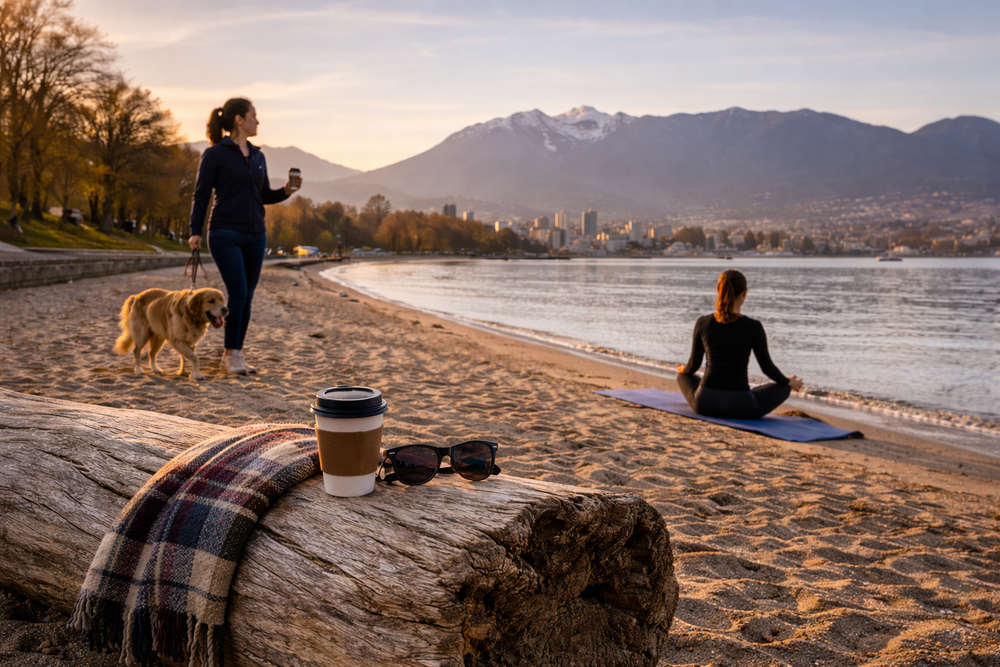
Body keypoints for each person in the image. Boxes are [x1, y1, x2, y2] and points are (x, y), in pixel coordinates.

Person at [189, 98, 303, 374]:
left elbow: (263, 195)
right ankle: (229, 355)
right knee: (238, 293)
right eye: (254, 116)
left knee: (247, 296)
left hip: (256, 235)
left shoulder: (258, 156)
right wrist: (194, 231)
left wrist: (287, 190)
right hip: (224, 232)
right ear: (239, 119)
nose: (258, 121)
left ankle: (236, 353)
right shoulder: (215, 154)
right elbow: (202, 193)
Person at [676, 269, 803, 419]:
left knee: (682, 376)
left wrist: (684, 370)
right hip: (741, 407)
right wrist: (789, 382)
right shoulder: (753, 327)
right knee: (784, 388)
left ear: (719, 290)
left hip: (705, 404)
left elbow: (693, 366)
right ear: (745, 293)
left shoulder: (703, 322)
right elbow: (767, 368)